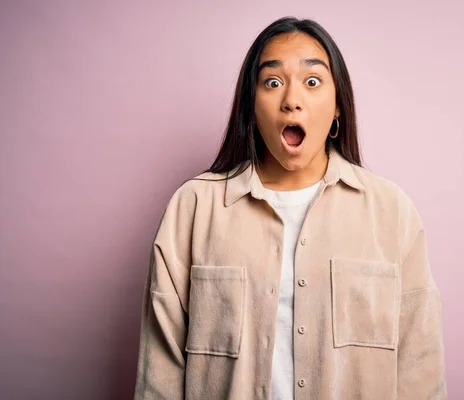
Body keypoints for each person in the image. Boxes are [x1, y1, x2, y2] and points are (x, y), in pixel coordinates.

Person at [134, 16, 447, 400]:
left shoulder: (391, 212)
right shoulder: (194, 209)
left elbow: (421, 370)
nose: (291, 100)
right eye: (273, 82)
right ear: (251, 106)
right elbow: (160, 373)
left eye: (312, 82)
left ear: (337, 108)